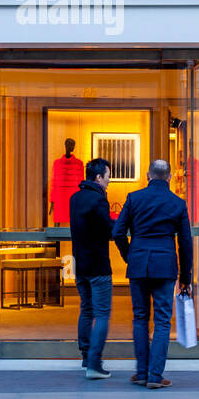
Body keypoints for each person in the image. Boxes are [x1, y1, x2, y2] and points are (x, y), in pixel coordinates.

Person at [112, 159, 193, 389]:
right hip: (165, 266)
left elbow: (118, 232)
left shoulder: (133, 198)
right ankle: (155, 376)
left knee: (140, 318)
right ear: (169, 178)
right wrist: (185, 276)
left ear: (148, 176)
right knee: (162, 321)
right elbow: (185, 243)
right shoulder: (178, 203)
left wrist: (130, 255)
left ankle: (141, 372)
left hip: (138, 265)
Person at [71, 158, 114, 379]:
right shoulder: (99, 200)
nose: (109, 181)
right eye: (108, 176)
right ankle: (95, 364)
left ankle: (86, 356)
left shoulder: (75, 198)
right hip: (98, 265)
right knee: (102, 314)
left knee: (86, 310)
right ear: (98, 177)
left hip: (80, 265)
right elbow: (107, 230)